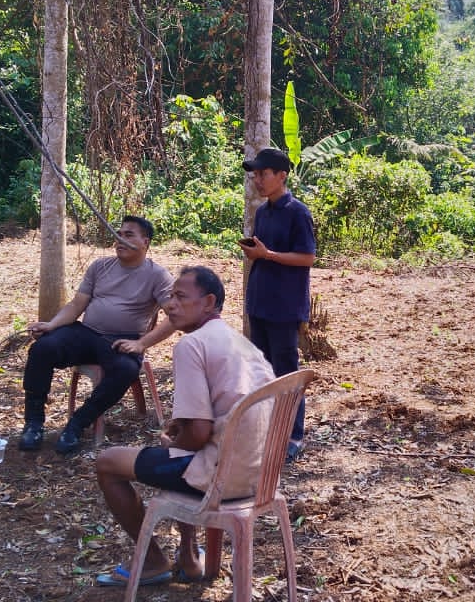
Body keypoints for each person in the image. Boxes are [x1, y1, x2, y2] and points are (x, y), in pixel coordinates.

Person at [93, 266, 275, 588]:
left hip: (221, 477)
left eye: (180, 297)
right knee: (178, 455)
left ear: (208, 302)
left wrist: (172, 443)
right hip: (259, 475)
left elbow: (199, 434)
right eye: (170, 297)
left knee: (109, 463)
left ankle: (153, 561)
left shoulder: (191, 345)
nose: (170, 305)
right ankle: (189, 557)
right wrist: (180, 440)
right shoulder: (243, 345)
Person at [20, 215, 176, 454]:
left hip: (121, 340)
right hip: (86, 333)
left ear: (145, 242)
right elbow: (76, 305)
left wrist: (141, 343)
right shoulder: (100, 266)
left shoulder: (158, 275)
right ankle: (33, 423)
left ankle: (77, 424)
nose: (119, 239)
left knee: (125, 369)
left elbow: (174, 317)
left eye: (128, 235)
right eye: (118, 234)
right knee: (43, 348)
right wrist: (51, 325)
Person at [239, 147, 316, 462]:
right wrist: (256, 253)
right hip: (260, 302)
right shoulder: (262, 212)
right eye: (255, 175)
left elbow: (308, 257)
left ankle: (293, 435)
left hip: (284, 306)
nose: (258, 180)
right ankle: (268, 428)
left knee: (286, 372)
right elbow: (263, 251)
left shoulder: (298, 212)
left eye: (263, 174)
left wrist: (267, 255)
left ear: (281, 176)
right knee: (262, 369)